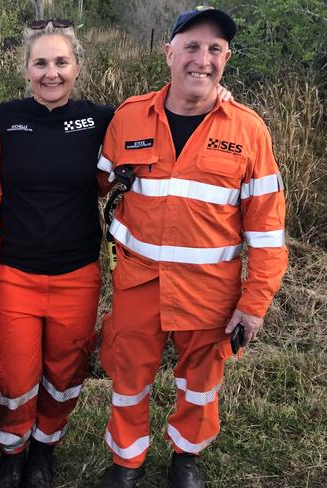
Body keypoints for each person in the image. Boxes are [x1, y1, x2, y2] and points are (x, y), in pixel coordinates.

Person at [96, 7, 288, 488]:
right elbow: (100, 185)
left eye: (215, 49)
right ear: (169, 53)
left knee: (200, 385)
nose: (202, 59)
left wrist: (255, 303)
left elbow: (267, 230)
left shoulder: (249, 131)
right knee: (128, 378)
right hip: (137, 280)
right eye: (192, 47)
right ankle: (127, 459)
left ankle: (186, 455)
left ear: (226, 58)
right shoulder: (128, 116)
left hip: (210, 290)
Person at [0, 20, 114, 488]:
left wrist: (216, 99)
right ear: (26, 69)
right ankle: (11, 447)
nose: (51, 72)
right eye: (41, 63)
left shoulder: (101, 119)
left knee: (65, 370)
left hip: (77, 272)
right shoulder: (5, 118)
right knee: (11, 372)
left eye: (61, 62)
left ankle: (44, 446)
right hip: (14, 272)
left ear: (77, 66)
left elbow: (154, 128)